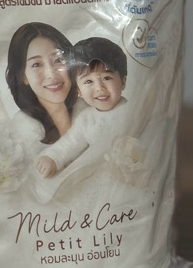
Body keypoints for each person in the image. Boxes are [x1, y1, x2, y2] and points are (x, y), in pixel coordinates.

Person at [36, 37, 129, 178]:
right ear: (78, 91)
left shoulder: (131, 109)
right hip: (99, 173)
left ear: (123, 81)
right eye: (89, 81)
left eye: (107, 78)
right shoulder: (86, 119)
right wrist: (52, 157)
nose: (99, 88)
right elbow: (70, 142)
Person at [5, 22, 77, 149]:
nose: (51, 74)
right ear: (23, 76)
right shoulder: (23, 133)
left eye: (58, 60)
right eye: (37, 65)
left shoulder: (91, 109)